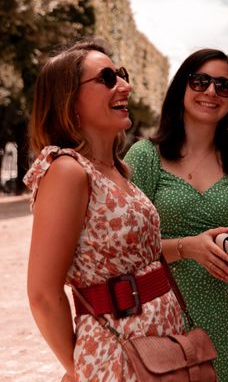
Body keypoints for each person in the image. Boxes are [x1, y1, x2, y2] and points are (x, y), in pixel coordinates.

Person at [24, 39, 185, 380]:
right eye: (108, 78)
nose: (125, 86)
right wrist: (81, 368)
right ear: (69, 100)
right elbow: (42, 293)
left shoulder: (115, 169)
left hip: (160, 343)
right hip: (117, 354)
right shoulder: (67, 171)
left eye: (122, 75)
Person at [124, 48, 228, 381]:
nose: (210, 92)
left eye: (223, 86)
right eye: (200, 81)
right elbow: (128, 249)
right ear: (182, 88)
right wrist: (186, 248)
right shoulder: (146, 157)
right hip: (169, 315)